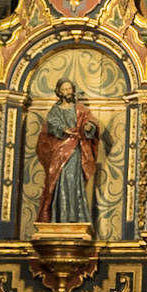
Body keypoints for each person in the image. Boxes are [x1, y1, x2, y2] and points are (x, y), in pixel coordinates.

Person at [36, 78, 101, 226]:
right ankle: (58, 217)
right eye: (64, 89)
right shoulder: (55, 110)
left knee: (72, 179)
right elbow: (50, 126)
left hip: (74, 148)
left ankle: (74, 216)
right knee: (57, 181)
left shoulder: (80, 109)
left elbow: (89, 121)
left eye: (69, 89)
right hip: (58, 150)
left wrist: (88, 127)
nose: (67, 92)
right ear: (59, 92)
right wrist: (62, 129)